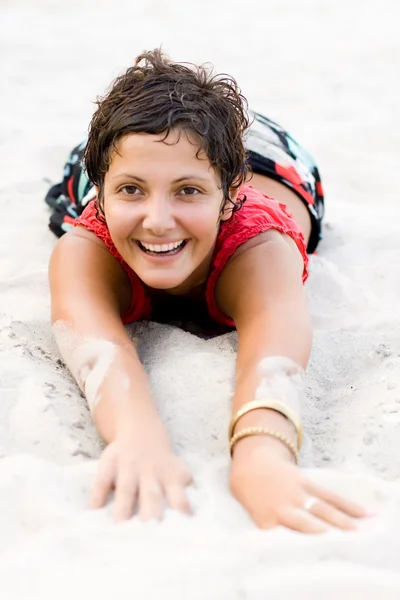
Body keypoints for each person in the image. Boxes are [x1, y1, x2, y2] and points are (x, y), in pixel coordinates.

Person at [47, 49, 369, 533]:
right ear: (102, 191)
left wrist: (263, 456)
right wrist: (136, 438)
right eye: (131, 191)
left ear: (229, 196)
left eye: (188, 192)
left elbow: (274, 358)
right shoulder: (86, 245)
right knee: (140, 154)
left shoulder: (259, 248)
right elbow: (98, 352)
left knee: (176, 156)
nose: (158, 221)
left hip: (273, 159)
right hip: (157, 152)